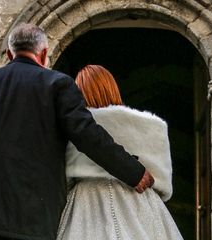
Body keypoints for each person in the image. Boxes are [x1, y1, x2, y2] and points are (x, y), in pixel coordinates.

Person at [0, 23, 154, 240]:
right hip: (31, 219)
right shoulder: (57, 84)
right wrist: (133, 171)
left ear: (9, 53)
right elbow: (87, 134)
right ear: (44, 52)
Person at [57, 64, 183, 240]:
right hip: (141, 204)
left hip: (86, 204)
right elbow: (160, 181)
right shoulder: (148, 129)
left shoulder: (74, 129)